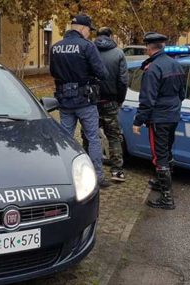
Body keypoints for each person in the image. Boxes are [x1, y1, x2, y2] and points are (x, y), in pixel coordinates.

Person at [50, 14, 110, 188]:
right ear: (83, 28)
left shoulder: (56, 47)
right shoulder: (87, 46)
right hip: (85, 101)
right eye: (89, 30)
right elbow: (102, 73)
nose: (89, 34)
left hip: (64, 102)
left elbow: (53, 71)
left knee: (66, 139)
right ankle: (97, 176)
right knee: (93, 138)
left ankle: (66, 176)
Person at [132, 32, 186, 209]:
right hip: (173, 116)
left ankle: (167, 198)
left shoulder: (153, 69)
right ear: (162, 46)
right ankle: (161, 183)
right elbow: (182, 94)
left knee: (159, 155)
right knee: (167, 150)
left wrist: (138, 122)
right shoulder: (176, 65)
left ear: (149, 48)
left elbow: (147, 100)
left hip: (159, 119)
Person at [82, 27, 128, 182]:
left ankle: (89, 170)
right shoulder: (118, 53)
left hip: (91, 102)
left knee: (89, 136)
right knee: (113, 136)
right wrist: (119, 99)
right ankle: (117, 171)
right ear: (111, 35)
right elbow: (123, 81)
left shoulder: (88, 50)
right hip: (110, 101)